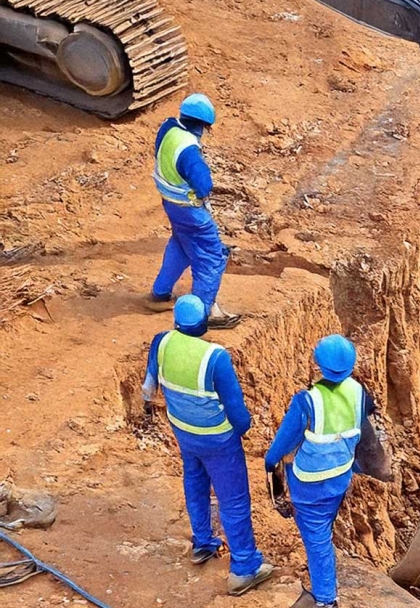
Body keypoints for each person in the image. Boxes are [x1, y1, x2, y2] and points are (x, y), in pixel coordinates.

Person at [141, 295, 273, 596]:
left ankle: (202, 542)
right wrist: (242, 430)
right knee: (234, 499)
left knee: (195, 482)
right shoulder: (215, 357)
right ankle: (244, 567)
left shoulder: (161, 342)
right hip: (218, 438)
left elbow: (149, 388)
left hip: (183, 432)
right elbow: (236, 409)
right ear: (203, 323)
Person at [265, 335, 377, 608]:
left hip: (310, 484)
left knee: (316, 538)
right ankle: (322, 586)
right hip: (340, 477)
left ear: (319, 365)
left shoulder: (308, 401)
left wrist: (270, 463)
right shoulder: (358, 392)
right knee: (321, 528)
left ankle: (326, 599)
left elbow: (284, 442)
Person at [144, 92, 240, 330]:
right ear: (203, 125)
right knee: (211, 256)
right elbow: (204, 185)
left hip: (171, 205)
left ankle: (160, 293)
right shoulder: (189, 151)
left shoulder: (168, 130)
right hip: (191, 211)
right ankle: (205, 312)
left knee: (180, 246)